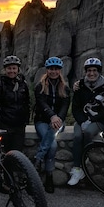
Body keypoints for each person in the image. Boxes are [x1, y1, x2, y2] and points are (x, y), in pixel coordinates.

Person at [33, 57, 71, 193]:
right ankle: (49, 176)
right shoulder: (40, 86)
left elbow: (65, 107)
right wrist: (52, 116)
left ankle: (38, 160)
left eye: (56, 69)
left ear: (59, 70)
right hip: (42, 121)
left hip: (59, 121)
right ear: (47, 70)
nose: (53, 71)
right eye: (51, 69)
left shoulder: (65, 88)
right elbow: (41, 103)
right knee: (53, 145)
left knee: (51, 141)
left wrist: (57, 118)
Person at [68, 57, 104, 186]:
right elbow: (76, 108)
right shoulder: (80, 86)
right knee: (78, 135)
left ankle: (85, 161)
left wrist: (91, 120)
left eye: (94, 70)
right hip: (82, 120)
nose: (91, 73)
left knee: (89, 133)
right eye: (89, 70)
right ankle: (77, 169)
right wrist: (83, 120)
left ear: (99, 71)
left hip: (98, 121)